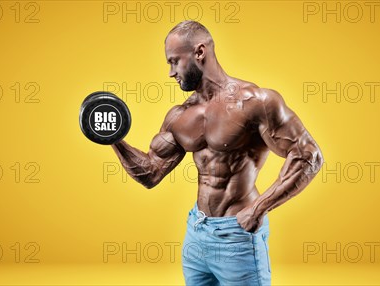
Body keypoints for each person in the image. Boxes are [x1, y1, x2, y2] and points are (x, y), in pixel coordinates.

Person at [110, 20, 323, 285]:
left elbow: (308, 156)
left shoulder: (255, 102)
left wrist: (258, 209)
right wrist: (113, 138)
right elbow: (151, 173)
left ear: (199, 52)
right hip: (197, 234)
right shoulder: (180, 115)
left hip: (236, 235)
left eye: (174, 61)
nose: (170, 72)